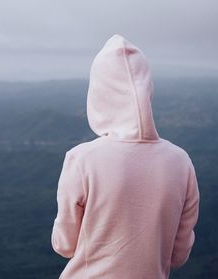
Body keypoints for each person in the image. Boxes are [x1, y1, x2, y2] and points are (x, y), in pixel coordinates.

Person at [50, 34, 200, 279]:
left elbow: (64, 245)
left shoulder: (82, 159)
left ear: (99, 94)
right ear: (147, 90)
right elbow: (178, 255)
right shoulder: (181, 162)